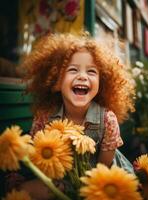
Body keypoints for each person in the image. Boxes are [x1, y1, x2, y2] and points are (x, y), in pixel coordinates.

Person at [6, 32, 135, 199]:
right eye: (73, 70)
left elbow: (104, 169)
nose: (82, 76)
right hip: (58, 181)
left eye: (91, 72)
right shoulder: (44, 117)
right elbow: (38, 160)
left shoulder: (107, 119)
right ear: (56, 81)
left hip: (99, 183)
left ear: (102, 82)